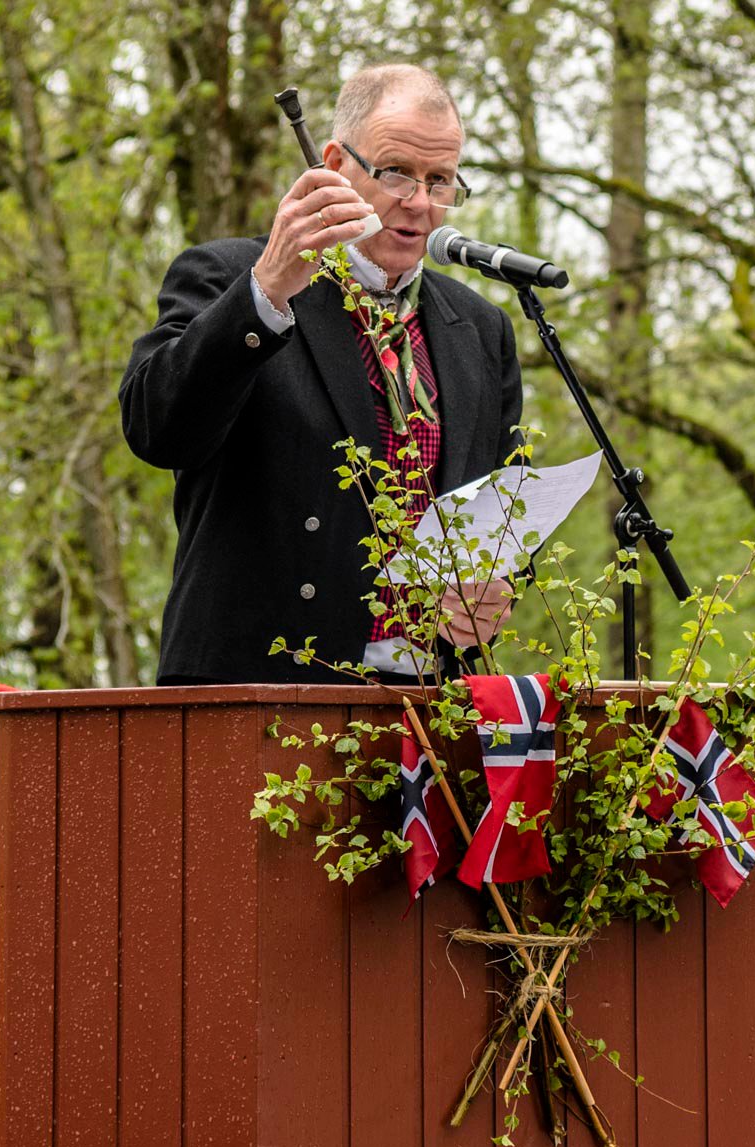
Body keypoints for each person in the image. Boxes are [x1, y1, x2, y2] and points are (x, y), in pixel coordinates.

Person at [120, 64, 523, 684]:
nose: (419, 202)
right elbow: (158, 431)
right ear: (334, 164)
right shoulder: (229, 276)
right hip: (258, 695)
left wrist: (497, 584)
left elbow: (504, 506)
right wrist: (268, 288)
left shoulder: (479, 328)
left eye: (440, 180)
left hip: (431, 708)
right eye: (397, 173)